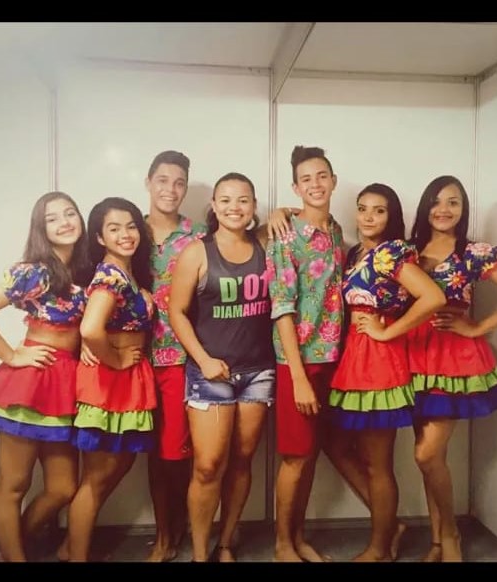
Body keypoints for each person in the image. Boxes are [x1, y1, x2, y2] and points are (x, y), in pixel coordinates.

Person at [407, 175, 497, 562]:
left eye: (453, 202)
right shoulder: (408, 251)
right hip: (413, 353)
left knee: (427, 454)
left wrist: (478, 327)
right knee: (428, 455)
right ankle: (437, 540)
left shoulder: (473, 252)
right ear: (425, 207)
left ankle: (450, 535)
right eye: (436, 201)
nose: (444, 209)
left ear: (463, 210)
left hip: (452, 357)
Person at [0, 191, 91, 562]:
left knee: (63, 487)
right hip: (30, 383)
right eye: (53, 218)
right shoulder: (34, 271)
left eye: (70, 213)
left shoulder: (85, 271)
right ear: (41, 229)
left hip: (64, 384)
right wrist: (12, 355)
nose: (64, 222)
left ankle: (12, 545)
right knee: (13, 485)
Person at [327, 184, 446, 561]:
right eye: (362, 208)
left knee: (377, 463)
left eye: (378, 210)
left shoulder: (391, 253)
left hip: (379, 361)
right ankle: (390, 525)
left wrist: (387, 331)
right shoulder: (356, 254)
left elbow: (433, 297)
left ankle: (379, 548)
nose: (368, 217)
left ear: (391, 216)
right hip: (354, 357)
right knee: (336, 445)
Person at [168, 172, 275, 563]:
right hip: (210, 373)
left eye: (243, 200)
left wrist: (283, 212)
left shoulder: (266, 245)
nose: (235, 207)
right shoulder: (197, 252)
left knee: (243, 461)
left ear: (254, 205)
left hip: (258, 372)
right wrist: (203, 360)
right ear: (213, 206)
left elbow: (300, 218)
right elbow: (176, 312)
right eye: (226, 200)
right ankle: (200, 554)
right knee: (209, 466)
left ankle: (226, 543)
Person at [62, 197, 157, 561]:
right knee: (96, 477)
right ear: (100, 237)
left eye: (131, 226)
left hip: (128, 379)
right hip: (107, 380)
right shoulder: (110, 276)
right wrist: (115, 359)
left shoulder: (126, 273)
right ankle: (76, 556)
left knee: (116, 465)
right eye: (114, 229)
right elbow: (91, 328)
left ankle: (70, 547)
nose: (125, 234)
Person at [266, 145, 345, 562]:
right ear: (296, 188)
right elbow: (282, 306)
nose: (315, 185)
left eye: (322, 176)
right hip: (297, 361)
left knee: (310, 455)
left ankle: (298, 537)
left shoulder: (335, 231)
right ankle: (282, 544)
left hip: (331, 357)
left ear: (334, 181)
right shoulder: (285, 235)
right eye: (306, 179)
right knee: (295, 457)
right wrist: (297, 376)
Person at [143, 150, 206, 561]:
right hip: (133, 359)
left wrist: (282, 212)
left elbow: (246, 235)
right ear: (148, 182)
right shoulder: (129, 229)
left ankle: (172, 535)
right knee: (151, 451)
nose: (171, 189)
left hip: (181, 358)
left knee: (175, 451)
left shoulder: (198, 236)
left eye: (179, 182)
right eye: (163, 180)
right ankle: (165, 532)